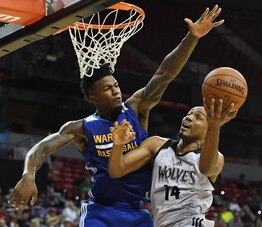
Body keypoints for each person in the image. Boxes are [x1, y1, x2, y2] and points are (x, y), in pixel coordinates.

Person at [8, 5, 225, 227]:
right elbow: (41, 148)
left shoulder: (136, 108)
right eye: (108, 89)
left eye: (116, 85)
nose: (116, 91)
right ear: (93, 98)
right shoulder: (82, 128)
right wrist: (29, 174)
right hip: (101, 211)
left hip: (137, 211)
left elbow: (165, 74)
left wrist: (192, 37)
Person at [108, 99, 237, 227]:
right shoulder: (157, 145)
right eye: (189, 114)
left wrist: (215, 127)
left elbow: (207, 169)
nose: (189, 118)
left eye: (198, 117)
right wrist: (118, 145)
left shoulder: (215, 158)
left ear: (208, 130)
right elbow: (116, 171)